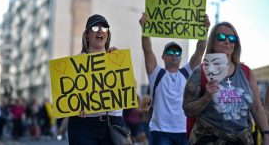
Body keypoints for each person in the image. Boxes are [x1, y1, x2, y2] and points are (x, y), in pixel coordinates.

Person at [183, 21, 269, 145]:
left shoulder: (246, 72)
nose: (227, 41)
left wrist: (266, 134)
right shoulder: (200, 72)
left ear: (236, 43)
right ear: (212, 42)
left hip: (242, 140)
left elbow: (256, 108)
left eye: (232, 38)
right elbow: (187, 110)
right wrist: (206, 98)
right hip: (208, 139)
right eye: (221, 37)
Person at [138, 13, 210, 145]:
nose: (174, 55)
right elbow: (147, 49)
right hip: (160, 132)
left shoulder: (187, 73)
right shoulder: (156, 73)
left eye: (177, 53)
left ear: (181, 57)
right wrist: (145, 30)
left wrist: (204, 31)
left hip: (184, 131)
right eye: (170, 52)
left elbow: (199, 51)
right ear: (163, 56)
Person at [67, 14, 125, 145]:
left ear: (108, 35)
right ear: (87, 34)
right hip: (84, 125)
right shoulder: (75, 63)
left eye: (104, 28)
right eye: (95, 28)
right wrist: (74, 108)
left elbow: (128, 88)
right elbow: (68, 96)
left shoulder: (117, 58)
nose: (100, 31)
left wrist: (121, 61)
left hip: (113, 123)